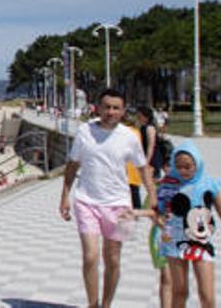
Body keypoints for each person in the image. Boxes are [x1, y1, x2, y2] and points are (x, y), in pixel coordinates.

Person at [59, 88, 155, 308]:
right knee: (91, 256)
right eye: (107, 107)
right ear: (98, 107)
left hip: (120, 205)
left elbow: (142, 169)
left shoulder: (129, 136)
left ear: (123, 111)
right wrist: (64, 196)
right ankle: (92, 304)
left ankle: (106, 304)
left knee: (113, 259)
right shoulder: (85, 131)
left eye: (116, 108)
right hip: (86, 201)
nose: (111, 112)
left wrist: (153, 197)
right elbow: (72, 165)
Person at [148, 141, 221, 308]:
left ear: (197, 163)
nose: (183, 171)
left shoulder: (208, 184)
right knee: (180, 292)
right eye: (178, 166)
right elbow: (157, 213)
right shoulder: (168, 185)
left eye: (188, 166)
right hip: (174, 243)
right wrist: (158, 220)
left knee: (207, 296)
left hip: (201, 242)